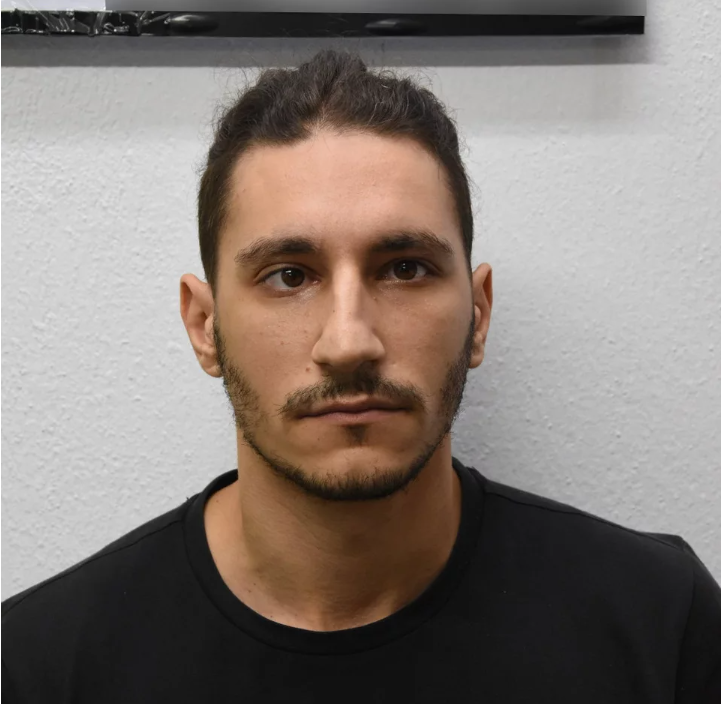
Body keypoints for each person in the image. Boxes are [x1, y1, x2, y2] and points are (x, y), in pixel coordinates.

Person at [3, 48, 720, 703]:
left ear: (477, 313)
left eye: (405, 269)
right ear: (203, 325)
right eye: (289, 276)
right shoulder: (38, 665)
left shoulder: (661, 622)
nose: (348, 342)